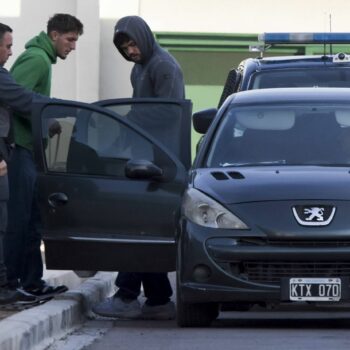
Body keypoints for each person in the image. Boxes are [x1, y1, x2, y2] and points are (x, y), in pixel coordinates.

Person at [92, 16, 185, 320]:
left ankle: (127, 295)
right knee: (143, 228)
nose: (130, 50)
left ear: (144, 38)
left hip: (160, 161)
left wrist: (128, 122)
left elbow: (168, 113)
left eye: (133, 43)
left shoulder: (163, 66)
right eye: (124, 46)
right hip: (143, 158)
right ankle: (158, 300)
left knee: (138, 226)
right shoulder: (140, 68)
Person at [4, 14, 84, 298]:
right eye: (70, 39)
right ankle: (11, 283)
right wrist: (52, 115)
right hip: (20, 150)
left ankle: (30, 282)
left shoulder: (42, 59)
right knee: (19, 220)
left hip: (29, 150)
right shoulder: (36, 59)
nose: (73, 47)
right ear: (53, 35)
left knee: (31, 220)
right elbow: (13, 99)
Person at [0, 22, 52, 305]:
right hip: (13, 152)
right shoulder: (35, 60)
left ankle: (18, 283)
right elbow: (24, 99)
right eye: (7, 46)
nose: (11, 52)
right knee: (8, 222)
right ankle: (7, 285)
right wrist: (60, 109)